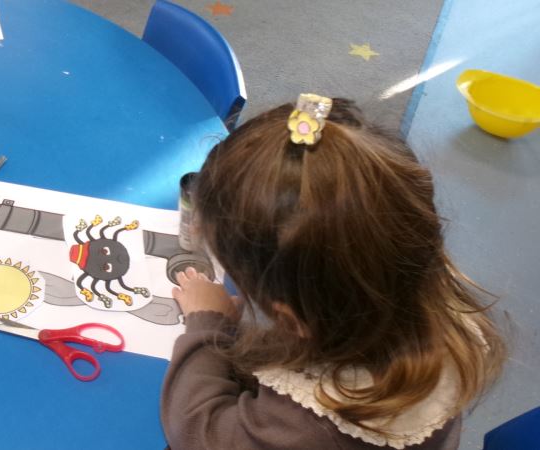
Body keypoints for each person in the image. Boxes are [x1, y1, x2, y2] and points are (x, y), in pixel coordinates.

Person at [162, 94, 506, 449]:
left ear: (294, 319)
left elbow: (198, 431)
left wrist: (209, 322)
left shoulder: (310, 426)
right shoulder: (434, 305)